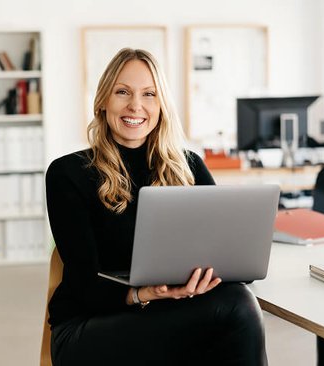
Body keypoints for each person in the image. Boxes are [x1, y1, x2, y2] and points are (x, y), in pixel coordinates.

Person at [45, 48, 268, 365]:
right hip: (89, 327)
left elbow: (225, 257)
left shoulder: (189, 167)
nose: (136, 105)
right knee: (235, 310)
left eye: (149, 94)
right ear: (103, 102)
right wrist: (143, 294)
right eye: (123, 92)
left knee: (235, 301)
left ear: (161, 105)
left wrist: (208, 279)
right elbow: (84, 284)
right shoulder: (68, 173)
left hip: (170, 314)